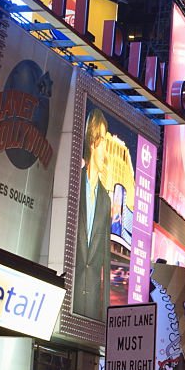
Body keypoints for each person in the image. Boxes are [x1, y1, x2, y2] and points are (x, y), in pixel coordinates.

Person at [73, 108, 112, 320]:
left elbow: (105, 259)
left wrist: (106, 316)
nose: (105, 150)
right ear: (92, 142)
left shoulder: (106, 201)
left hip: (92, 304)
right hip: (69, 292)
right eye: (103, 141)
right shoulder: (74, 184)